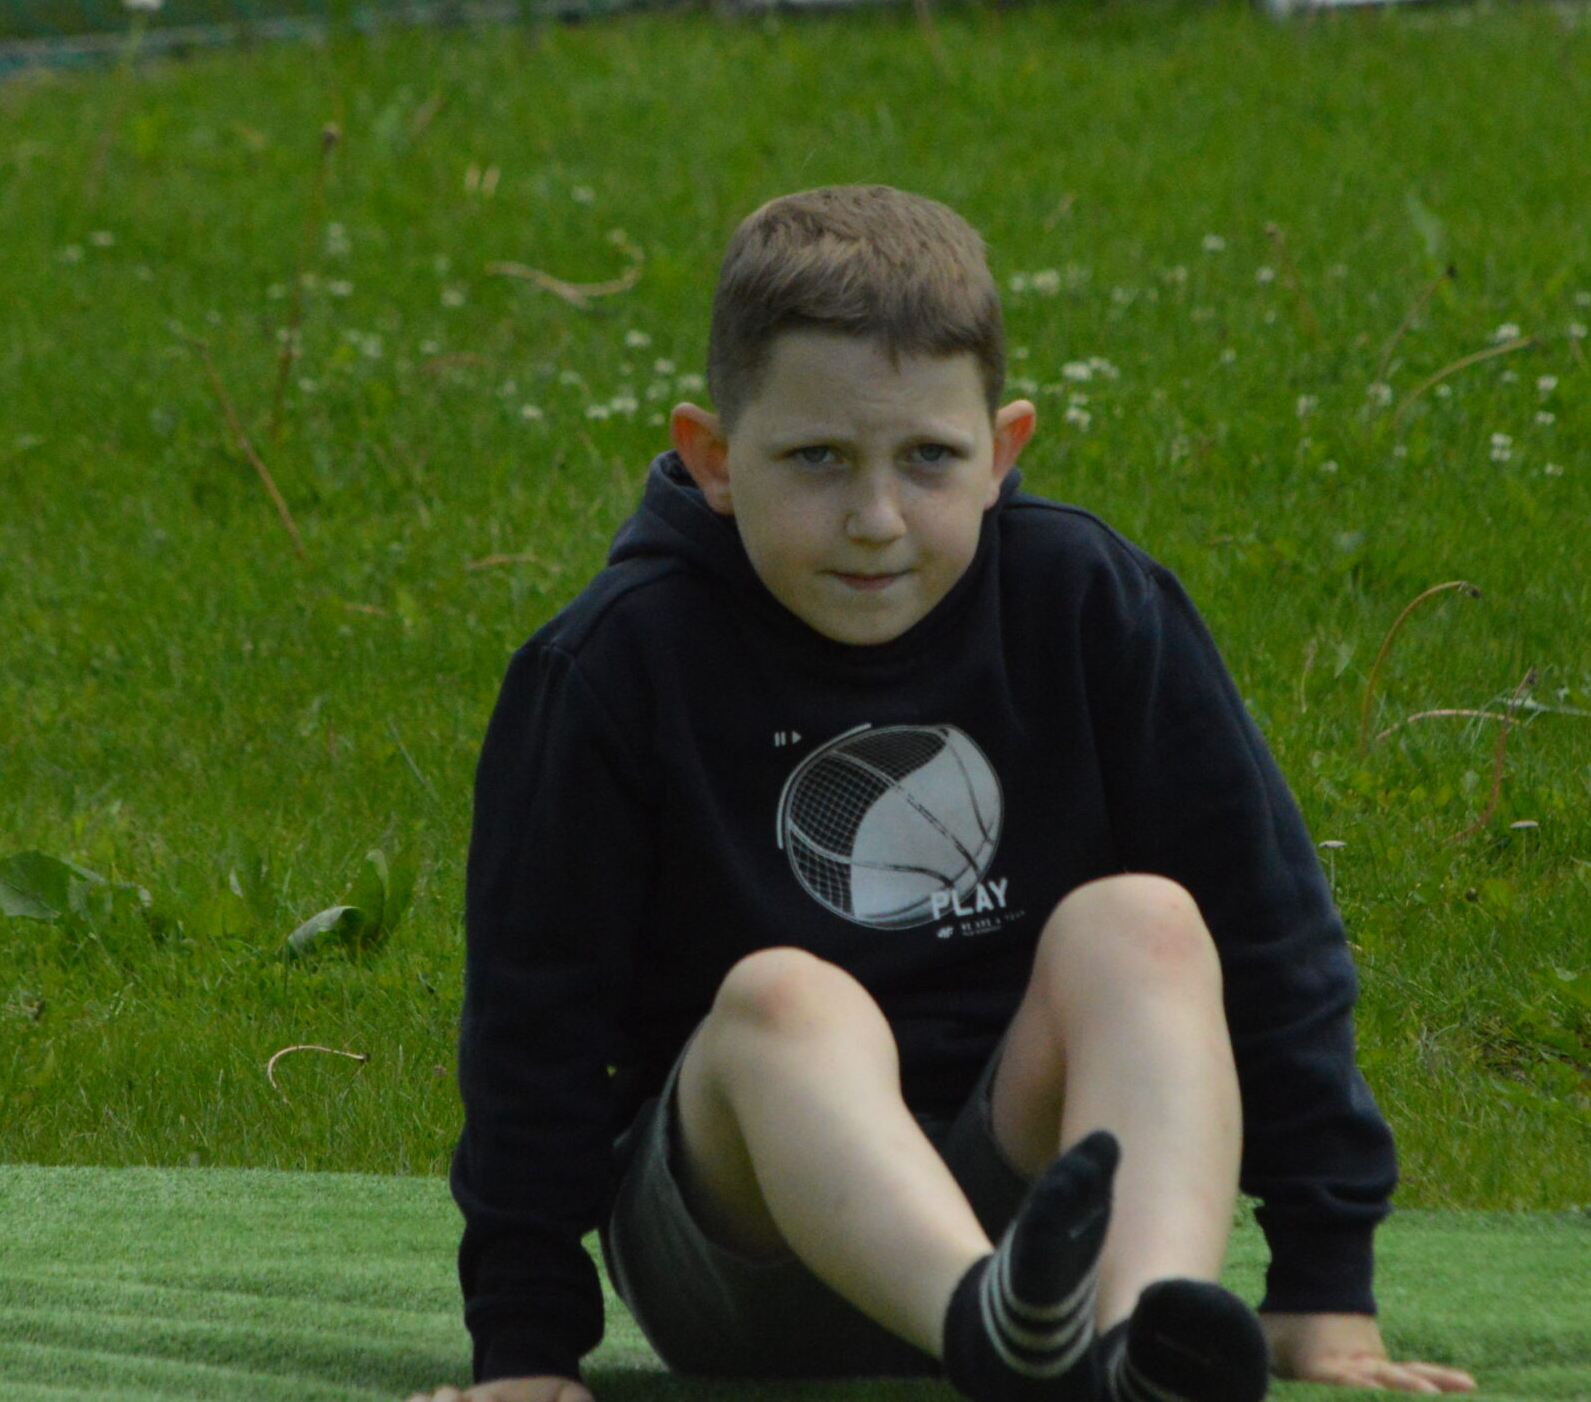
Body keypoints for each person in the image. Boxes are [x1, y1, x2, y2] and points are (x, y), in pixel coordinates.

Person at [418, 187, 1476, 1402]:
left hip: (1035, 1218)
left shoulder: (1087, 602)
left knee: (1144, 921)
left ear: (1003, 450)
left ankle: (1139, 1348)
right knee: (784, 997)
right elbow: (534, 1025)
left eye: (928, 457)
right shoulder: (613, 663)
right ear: (713, 458)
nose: (875, 520)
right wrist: (524, 1350)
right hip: (749, 1249)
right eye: (816, 458)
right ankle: (995, 1331)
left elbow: (1271, 933)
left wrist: (1322, 1282)